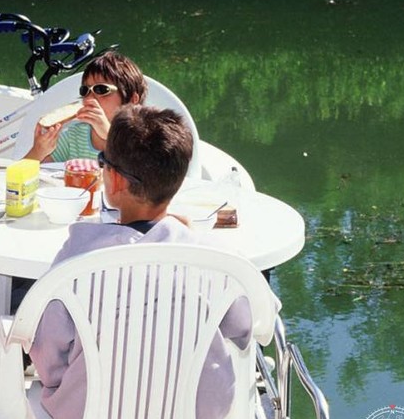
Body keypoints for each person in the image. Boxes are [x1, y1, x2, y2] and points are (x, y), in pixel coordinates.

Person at [27, 105, 269, 419]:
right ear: (178, 181)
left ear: (113, 180)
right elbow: (248, 325)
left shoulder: (79, 256)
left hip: (90, 411)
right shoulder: (213, 258)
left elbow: (47, 352)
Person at [23, 51, 147, 162]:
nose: (90, 98)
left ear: (132, 100)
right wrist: (38, 151)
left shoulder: (140, 138)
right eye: (85, 90)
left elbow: (145, 172)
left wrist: (109, 136)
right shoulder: (74, 136)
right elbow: (19, 175)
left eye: (101, 89)